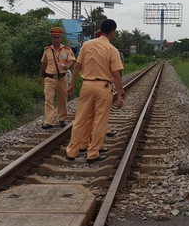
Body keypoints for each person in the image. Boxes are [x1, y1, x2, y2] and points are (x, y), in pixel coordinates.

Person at [65, 19, 125, 163]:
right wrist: (120, 94)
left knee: (80, 119)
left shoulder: (87, 45)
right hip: (103, 87)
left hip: (87, 85)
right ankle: (93, 153)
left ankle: (72, 151)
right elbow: (116, 74)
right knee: (100, 121)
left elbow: (77, 67)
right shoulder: (112, 49)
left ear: (100, 30)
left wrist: (72, 84)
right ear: (113, 32)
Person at [39, 26, 75, 129]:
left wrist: (67, 66)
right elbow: (43, 64)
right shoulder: (47, 50)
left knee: (62, 99)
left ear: (61, 38)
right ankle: (48, 121)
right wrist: (40, 77)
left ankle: (62, 119)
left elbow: (72, 60)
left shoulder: (66, 50)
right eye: (54, 37)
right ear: (51, 38)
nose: (56, 39)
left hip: (62, 78)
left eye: (58, 37)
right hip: (49, 78)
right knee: (48, 99)